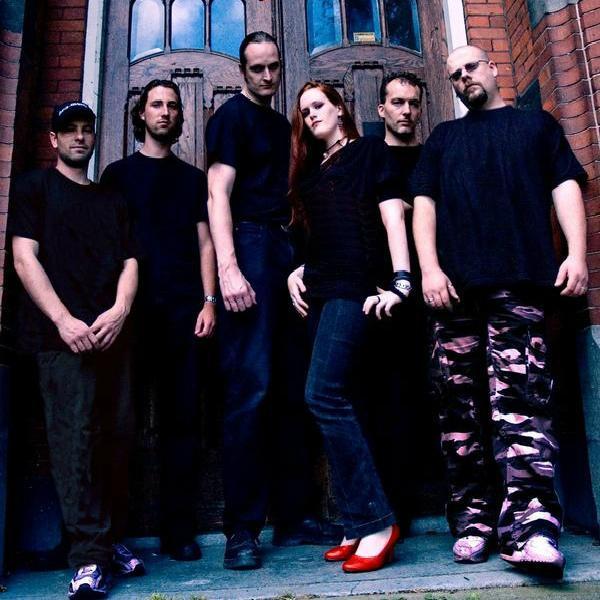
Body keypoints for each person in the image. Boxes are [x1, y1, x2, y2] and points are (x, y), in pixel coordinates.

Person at [411, 45, 588, 578]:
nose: (463, 76)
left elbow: (565, 186)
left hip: (519, 285)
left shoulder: (536, 125)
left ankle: (532, 530)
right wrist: (429, 270)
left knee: (523, 408)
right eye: (454, 74)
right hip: (454, 295)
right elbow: (424, 205)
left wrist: (577, 254)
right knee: (459, 417)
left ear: (492, 68)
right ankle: (474, 523)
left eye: (470, 67)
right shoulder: (443, 138)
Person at [206, 31, 340, 571]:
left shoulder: (285, 126)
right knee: (251, 388)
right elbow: (217, 193)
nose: (266, 76)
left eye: (273, 67)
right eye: (256, 68)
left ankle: (295, 516)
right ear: (242, 71)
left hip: (288, 251)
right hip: (250, 247)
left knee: (291, 387)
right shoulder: (231, 118)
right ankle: (242, 529)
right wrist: (229, 267)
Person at [8, 101, 142, 599]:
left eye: (87, 129)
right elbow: (24, 258)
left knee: (118, 437)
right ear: (54, 139)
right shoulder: (34, 188)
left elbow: (131, 261)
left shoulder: (112, 199)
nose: (79, 137)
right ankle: (88, 559)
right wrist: (64, 320)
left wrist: (120, 310)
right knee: (75, 443)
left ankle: (108, 541)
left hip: (111, 336)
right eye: (70, 131)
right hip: (58, 340)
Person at [287, 81, 412, 573]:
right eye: (304, 112)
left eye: (318, 105)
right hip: (319, 292)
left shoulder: (368, 152)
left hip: (353, 287)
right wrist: (297, 271)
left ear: (340, 108)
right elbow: (322, 235)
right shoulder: (313, 170)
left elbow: (391, 217)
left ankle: (378, 523)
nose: (311, 115)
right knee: (342, 400)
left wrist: (401, 280)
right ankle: (357, 523)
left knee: (322, 395)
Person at [101, 80, 217, 561]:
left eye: (172, 105)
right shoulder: (117, 175)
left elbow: (206, 243)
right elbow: (106, 243)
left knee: (182, 422)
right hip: (129, 316)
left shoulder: (192, 179)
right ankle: (112, 535)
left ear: (179, 116)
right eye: (156, 105)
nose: (165, 112)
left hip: (184, 313)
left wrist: (209, 301)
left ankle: (178, 532)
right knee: (119, 423)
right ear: (141, 114)